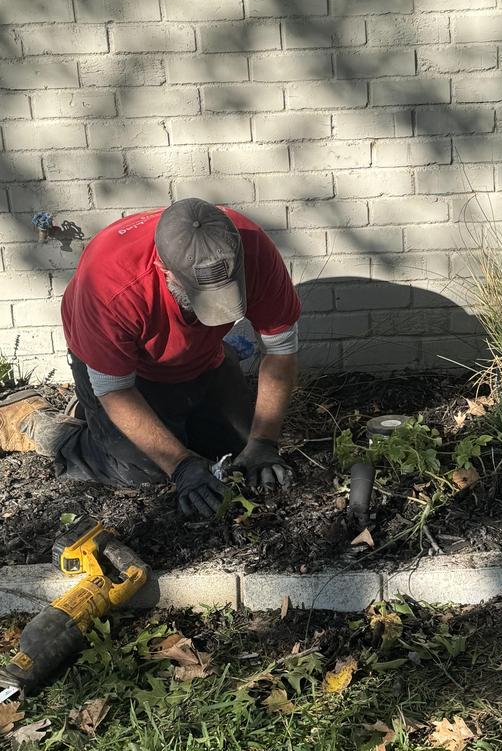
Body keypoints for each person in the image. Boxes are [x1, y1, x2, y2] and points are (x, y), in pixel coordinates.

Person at [0, 198, 301, 518]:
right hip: (121, 369)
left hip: (198, 354)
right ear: (165, 270)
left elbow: (280, 350)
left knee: (238, 450)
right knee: (143, 468)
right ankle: (38, 421)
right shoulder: (111, 284)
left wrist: (264, 441)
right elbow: (115, 389)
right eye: (203, 300)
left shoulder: (251, 247)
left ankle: (101, 417)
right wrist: (180, 465)